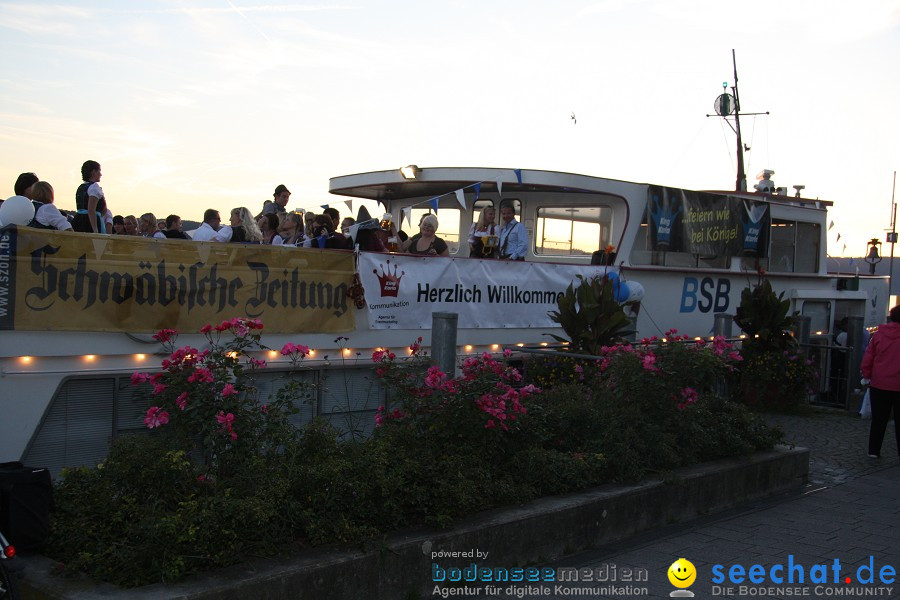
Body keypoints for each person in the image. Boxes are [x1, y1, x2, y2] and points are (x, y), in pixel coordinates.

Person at [860, 305, 900, 459]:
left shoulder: (879, 334)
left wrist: (867, 375)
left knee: (879, 419)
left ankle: (874, 451)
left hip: (879, 382)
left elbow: (868, 357)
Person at [72, 160, 107, 233]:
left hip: (78, 220)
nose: (100, 174)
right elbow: (91, 210)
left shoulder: (81, 187)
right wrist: (95, 230)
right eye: (99, 171)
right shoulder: (94, 187)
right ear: (93, 172)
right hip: (89, 223)